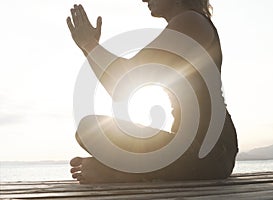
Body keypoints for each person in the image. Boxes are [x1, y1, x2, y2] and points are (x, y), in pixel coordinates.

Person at [67, 0, 238, 184]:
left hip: (210, 152)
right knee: (89, 130)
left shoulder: (190, 21)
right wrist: (88, 47)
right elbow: (121, 90)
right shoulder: (186, 24)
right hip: (189, 150)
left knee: (89, 129)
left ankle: (121, 173)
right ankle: (128, 172)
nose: (144, 0)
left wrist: (90, 45)